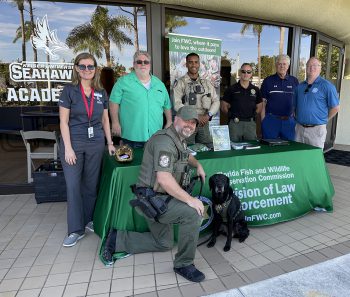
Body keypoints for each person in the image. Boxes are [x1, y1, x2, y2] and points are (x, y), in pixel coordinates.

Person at [102, 105, 206, 283]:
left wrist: (197, 165)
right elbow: (164, 178)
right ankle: (184, 264)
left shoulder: (178, 138)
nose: (190, 125)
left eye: (193, 123)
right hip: (154, 201)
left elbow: (185, 155)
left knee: (164, 243)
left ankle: (116, 239)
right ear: (175, 119)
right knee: (192, 213)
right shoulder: (165, 141)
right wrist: (190, 200)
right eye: (186, 121)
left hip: (162, 198)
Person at [59, 52, 115, 247]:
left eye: (90, 66)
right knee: (73, 186)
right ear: (76, 68)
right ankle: (75, 229)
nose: (86, 70)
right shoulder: (69, 91)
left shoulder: (101, 92)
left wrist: (109, 142)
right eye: (82, 66)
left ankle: (89, 219)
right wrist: (68, 149)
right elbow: (63, 122)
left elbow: (105, 119)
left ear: (95, 69)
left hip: (96, 142)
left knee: (91, 184)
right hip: (73, 142)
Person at [109, 51, 172, 148]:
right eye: (139, 62)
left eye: (146, 62)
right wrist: (115, 122)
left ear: (150, 65)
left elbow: (166, 105)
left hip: (155, 135)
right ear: (134, 64)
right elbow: (113, 102)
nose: (143, 64)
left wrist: (169, 121)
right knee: (132, 163)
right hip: (131, 136)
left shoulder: (159, 84)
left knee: (154, 162)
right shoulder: (123, 82)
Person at [173, 53, 220, 148]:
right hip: (187, 123)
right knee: (186, 149)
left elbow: (216, 101)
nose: (193, 65)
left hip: (204, 122)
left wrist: (208, 115)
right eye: (190, 62)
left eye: (196, 62)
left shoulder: (206, 83)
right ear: (186, 64)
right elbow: (176, 103)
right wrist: (194, 116)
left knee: (206, 149)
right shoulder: (181, 83)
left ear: (199, 64)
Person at [294, 57, 340, 149]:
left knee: (314, 159)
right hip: (299, 129)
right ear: (306, 68)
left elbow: (335, 108)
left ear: (320, 68)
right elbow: (295, 106)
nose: (311, 68)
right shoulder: (299, 87)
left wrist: (324, 119)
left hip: (316, 130)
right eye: (309, 66)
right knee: (299, 157)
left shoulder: (327, 86)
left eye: (315, 65)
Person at [221, 63, 263, 141]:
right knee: (233, 148)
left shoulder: (256, 90)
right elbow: (223, 106)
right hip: (235, 124)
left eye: (248, 72)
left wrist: (253, 115)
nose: (246, 74)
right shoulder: (231, 89)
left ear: (251, 74)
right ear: (240, 73)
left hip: (250, 124)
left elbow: (260, 106)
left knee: (251, 148)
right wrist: (231, 115)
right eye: (243, 71)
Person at [260, 54, 299, 140]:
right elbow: (263, 102)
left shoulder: (294, 81)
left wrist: (295, 119)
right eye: (279, 64)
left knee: (289, 149)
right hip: (271, 121)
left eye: (284, 64)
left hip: (289, 122)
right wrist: (263, 121)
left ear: (288, 66)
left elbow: (297, 101)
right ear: (276, 65)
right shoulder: (268, 81)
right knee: (269, 148)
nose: (282, 66)